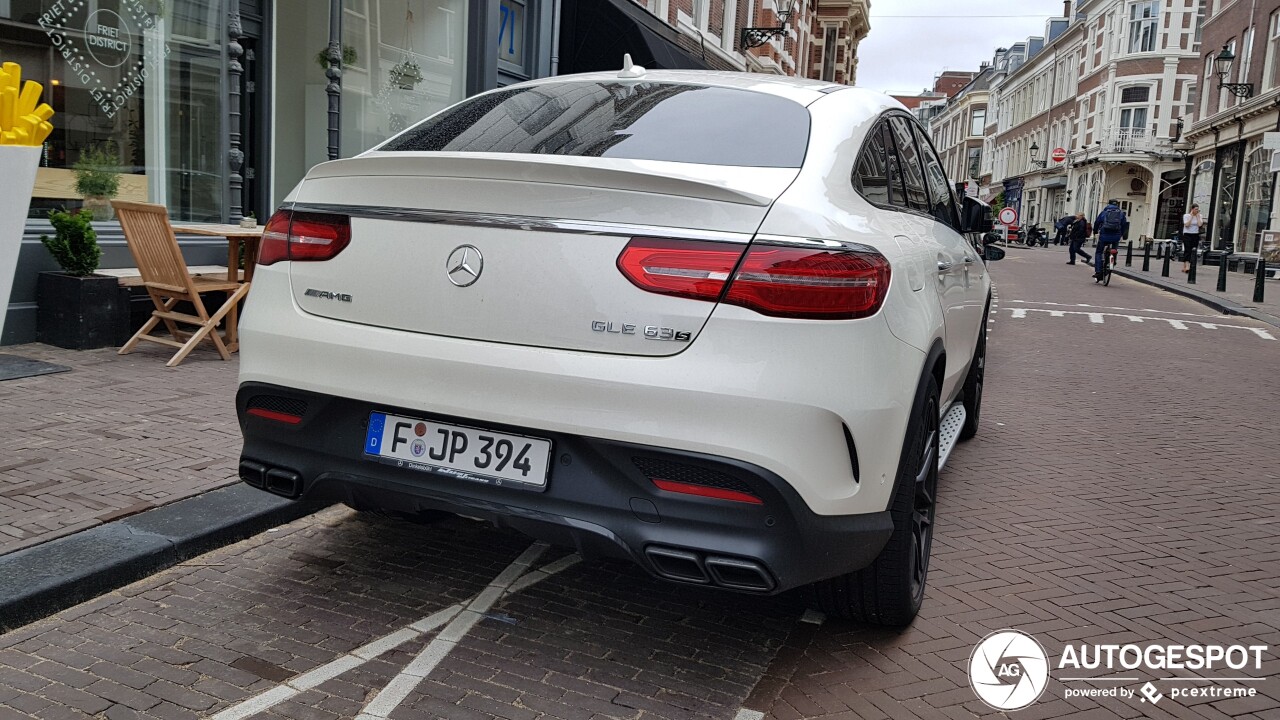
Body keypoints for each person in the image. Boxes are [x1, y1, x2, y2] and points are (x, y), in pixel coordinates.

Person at [1093, 200, 1128, 279]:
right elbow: (1124, 225)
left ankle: (1098, 271)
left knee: (1099, 252)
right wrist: (1121, 234)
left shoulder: (1104, 212)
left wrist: (1095, 231)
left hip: (1104, 235)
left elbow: (1097, 222)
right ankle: (1112, 262)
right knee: (1114, 249)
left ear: (1108, 204)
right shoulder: (1121, 214)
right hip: (1116, 236)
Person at [1181, 204, 1202, 273]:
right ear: (1192, 209)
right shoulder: (1186, 216)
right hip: (1187, 234)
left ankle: (1187, 266)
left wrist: (1198, 217)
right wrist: (1191, 217)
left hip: (1195, 235)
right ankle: (1187, 266)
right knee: (1187, 249)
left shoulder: (1199, 216)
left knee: (1193, 250)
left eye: (1198, 209)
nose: (1197, 211)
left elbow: (1199, 224)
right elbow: (1187, 225)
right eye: (1196, 209)